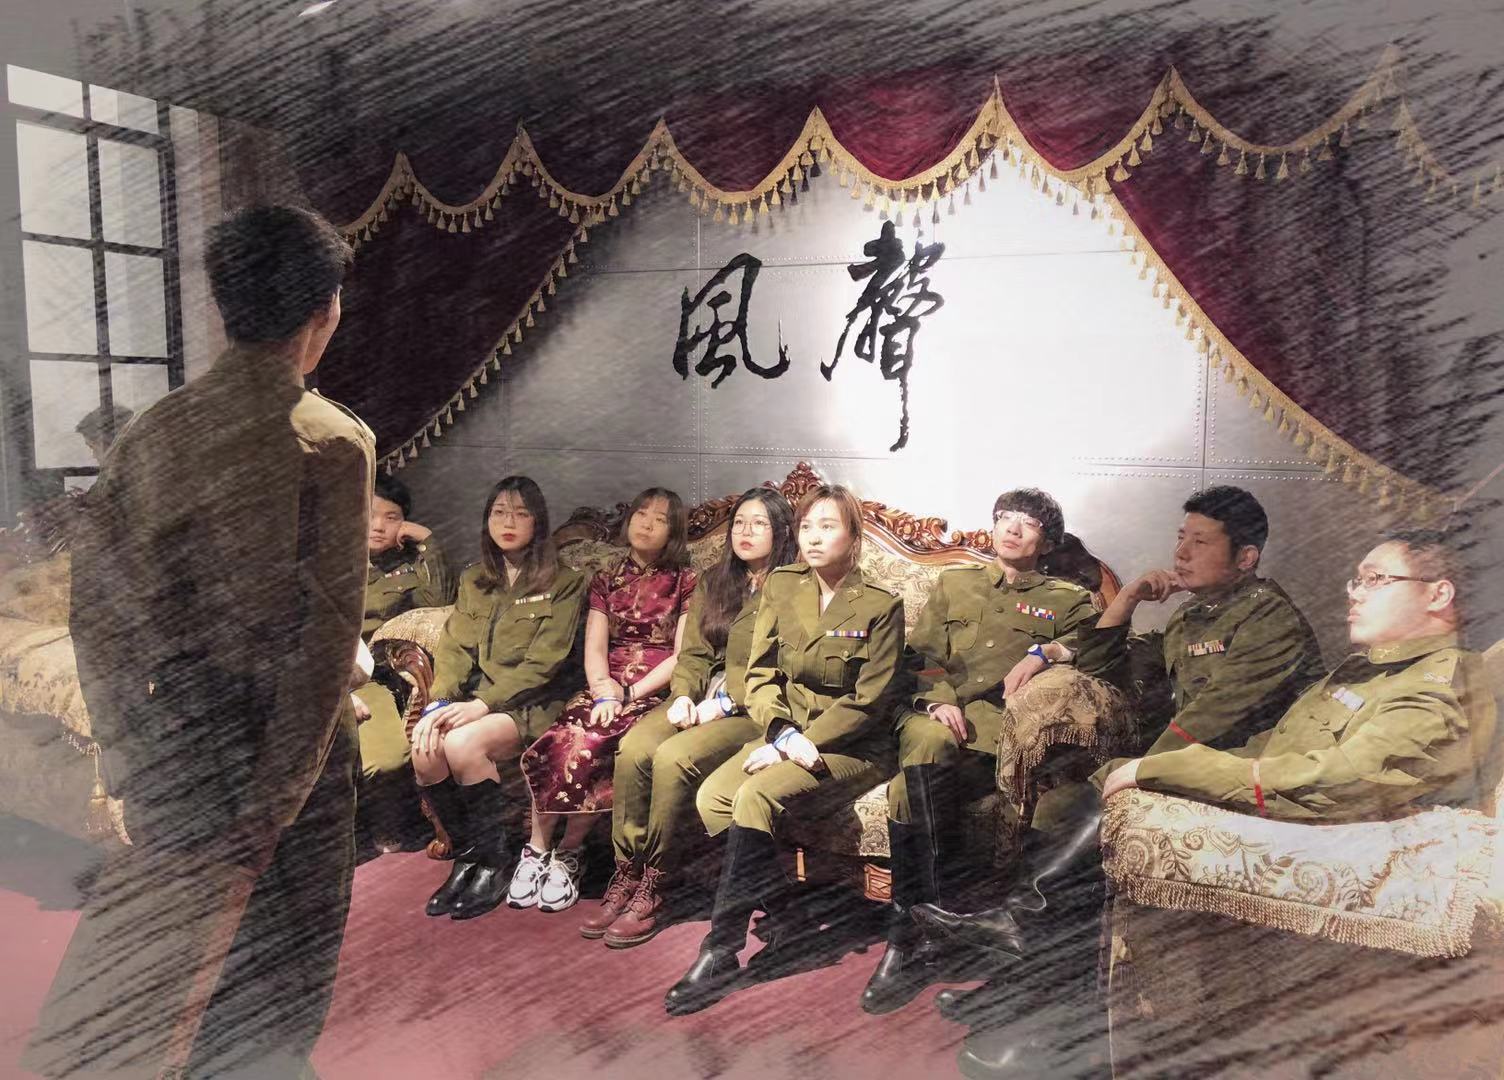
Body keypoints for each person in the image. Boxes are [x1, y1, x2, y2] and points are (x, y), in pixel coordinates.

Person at [26, 205, 371, 1079]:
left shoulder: (153, 432)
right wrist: (276, 802)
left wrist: (127, 751)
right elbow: (324, 644)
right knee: (279, 986)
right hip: (280, 745)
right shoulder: (331, 441)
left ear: (223, 305)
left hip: (176, 735)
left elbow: (97, 615)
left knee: (171, 963)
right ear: (324, 311)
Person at [911, 485, 1326, 1049]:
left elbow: (1210, 719)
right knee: (1059, 804)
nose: (1181, 553)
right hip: (1194, 760)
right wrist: (1125, 601)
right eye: (1181, 538)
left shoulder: (1267, 620)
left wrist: (1127, 772)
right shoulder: (1195, 615)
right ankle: (1021, 978)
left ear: (1245, 557)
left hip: (1246, 773)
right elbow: (1111, 669)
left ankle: (1033, 970)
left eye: (1201, 542)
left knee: (1101, 805)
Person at [665, 484, 907, 1016]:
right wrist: (780, 733)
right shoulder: (782, 585)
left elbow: (869, 703)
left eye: (828, 526)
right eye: (806, 527)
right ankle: (790, 913)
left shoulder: (880, 605)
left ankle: (720, 950)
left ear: (854, 536)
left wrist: (802, 744)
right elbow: (760, 673)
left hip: (850, 746)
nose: (814, 538)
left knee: (753, 798)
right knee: (713, 798)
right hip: (784, 733)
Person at [860, 488, 1099, 1014]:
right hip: (935, 719)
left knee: (909, 789)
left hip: (997, 737)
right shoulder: (955, 583)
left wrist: (1045, 651)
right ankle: (912, 938)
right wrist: (940, 700)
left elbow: (1098, 644)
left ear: (1047, 542)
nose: (1011, 529)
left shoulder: (1065, 598)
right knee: (923, 759)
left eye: (1028, 523)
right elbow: (921, 656)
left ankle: (909, 938)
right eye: (1004, 518)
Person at [1100, 529, 1497, 818]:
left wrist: (1172, 768)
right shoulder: (1367, 668)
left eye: (1375, 579)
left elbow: (1342, 780)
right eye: (1358, 580)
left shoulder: (1444, 685)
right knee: (1091, 793)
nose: (1355, 592)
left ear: (1438, 595)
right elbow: (1275, 745)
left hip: (1299, 833)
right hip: (1256, 791)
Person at [580, 487, 798, 947]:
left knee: (673, 757)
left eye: (759, 523)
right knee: (635, 747)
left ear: (781, 532)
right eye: (740, 522)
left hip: (754, 707)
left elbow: (786, 665)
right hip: (700, 697)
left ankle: (659, 881)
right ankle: (628, 870)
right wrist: (682, 695)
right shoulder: (717, 579)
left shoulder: (795, 586)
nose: (745, 532)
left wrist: (725, 703)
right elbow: (694, 653)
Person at [410, 476, 587, 919]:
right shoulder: (476, 579)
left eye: (521, 514)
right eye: (499, 513)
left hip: (536, 703)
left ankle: (495, 862)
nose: (509, 523)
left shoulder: (565, 581)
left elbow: (543, 664)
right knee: (424, 749)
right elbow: (455, 648)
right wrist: (438, 702)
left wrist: (481, 705)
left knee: (461, 744)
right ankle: (470, 856)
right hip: (480, 701)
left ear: (538, 522)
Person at [517, 487, 696, 913]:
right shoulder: (605, 576)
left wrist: (630, 694)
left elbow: (683, 654)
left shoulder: (687, 580)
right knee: (563, 736)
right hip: (604, 686)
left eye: (660, 519)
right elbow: (595, 645)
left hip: (653, 690)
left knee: (598, 742)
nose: (646, 524)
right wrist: (602, 690)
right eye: (641, 514)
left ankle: (570, 852)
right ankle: (536, 848)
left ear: (673, 531)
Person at [351, 472, 457, 849]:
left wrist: (427, 540)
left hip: (371, 677)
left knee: (386, 761)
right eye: (370, 513)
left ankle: (380, 822)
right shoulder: (330, 560)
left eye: (391, 517)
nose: (378, 525)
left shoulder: (408, 566)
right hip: (320, 674)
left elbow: (438, 608)